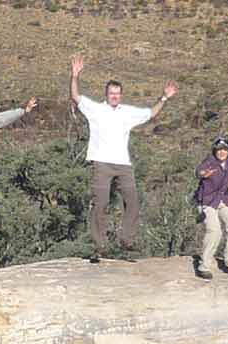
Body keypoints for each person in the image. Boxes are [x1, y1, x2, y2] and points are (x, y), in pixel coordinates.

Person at [70, 55, 176, 255]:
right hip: (102, 163)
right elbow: (76, 97)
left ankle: (127, 239)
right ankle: (100, 245)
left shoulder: (127, 112)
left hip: (123, 165)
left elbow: (151, 114)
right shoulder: (96, 110)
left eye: (118, 93)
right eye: (111, 93)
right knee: (100, 204)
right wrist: (75, 76)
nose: (114, 96)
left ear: (121, 95)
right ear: (106, 94)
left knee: (133, 201)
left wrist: (163, 98)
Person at [193, 137, 228, 280]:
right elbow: (199, 171)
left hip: (224, 199)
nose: (222, 152)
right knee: (215, 231)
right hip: (208, 201)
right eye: (219, 150)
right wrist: (204, 174)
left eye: (225, 149)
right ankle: (204, 266)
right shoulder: (209, 162)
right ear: (215, 151)